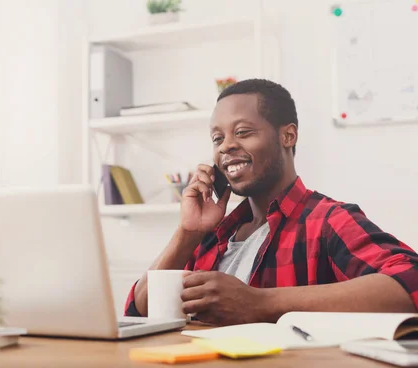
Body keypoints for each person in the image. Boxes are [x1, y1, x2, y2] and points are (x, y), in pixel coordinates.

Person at [124, 79, 418, 326]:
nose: (226, 145)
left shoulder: (327, 221)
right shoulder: (213, 236)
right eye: (217, 138)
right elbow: (139, 310)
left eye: (242, 132)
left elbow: (411, 282)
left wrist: (261, 303)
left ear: (288, 135)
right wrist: (188, 233)